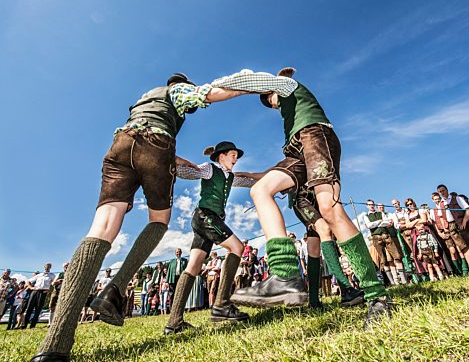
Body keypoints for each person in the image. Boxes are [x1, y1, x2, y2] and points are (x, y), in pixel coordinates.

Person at [30, 71, 257, 362]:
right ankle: (116, 288)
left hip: (121, 144)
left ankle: (53, 347)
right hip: (156, 145)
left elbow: (236, 176)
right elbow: (207, 94)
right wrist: (245, 88)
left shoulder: (144, 98)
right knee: (159, 221)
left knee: (101, 229)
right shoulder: (176, 92)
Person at [215, 67, 389, 326]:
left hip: (315, 135)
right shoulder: (285, 112)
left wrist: (213, 88)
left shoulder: (287, 86)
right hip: (296, 148)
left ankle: (377, 296)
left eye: (269, 99)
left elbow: (256, 80)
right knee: (260, 189)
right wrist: (233, 177)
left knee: (328, 209)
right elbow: (260, 175)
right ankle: (285, 275)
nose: (272, 105)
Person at [163, 141, 254, 335]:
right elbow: (190, 172)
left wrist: (275, 180)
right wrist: (174, 162)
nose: (236, 159)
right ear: (221, 156)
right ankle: (221, 303)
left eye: (236, 156)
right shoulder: (210, 169)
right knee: (237, 248)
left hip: (206, 220)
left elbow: (247, 180)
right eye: (233, 155)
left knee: (194, 266)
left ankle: (174, 323)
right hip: (206, 217)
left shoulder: (230, 176)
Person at [288, 186, 365, 309]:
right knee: (325, 230)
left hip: (317, 198)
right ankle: (346, 290)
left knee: (314, 245)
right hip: (301, 198)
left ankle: (313, 301)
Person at [436, 186, 469, 275]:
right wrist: (445, 227)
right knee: (463, 248)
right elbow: (441, 217)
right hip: (451, 226)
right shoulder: (441, 204)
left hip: (461, 222)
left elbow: (468, 209)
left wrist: (465, 221)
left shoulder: (457, 198)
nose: (442, 192)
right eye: (440, 192)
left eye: (443, 190)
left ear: (447, 190)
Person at [362, 200, 405, 286]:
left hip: (386, 235)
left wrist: (376, 224)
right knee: (383, 260)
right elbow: (369, 225)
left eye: (372, 204)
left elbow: (387, 222)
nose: (371, 206)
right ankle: (392, 282)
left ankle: (404, 281)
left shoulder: (380, 213)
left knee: (397, 256)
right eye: (369, 205)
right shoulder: (366, 216)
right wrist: (379, 222)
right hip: (376, 237)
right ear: (367, 206)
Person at [430, 193, 464, 276]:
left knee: (460, 248)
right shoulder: (433, 210)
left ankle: (465, 269)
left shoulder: (445, 205)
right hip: (444, 231)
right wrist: (439, 232)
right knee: (452, 251)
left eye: (438, 198)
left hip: (451, 227)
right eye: (435, 199)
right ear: (433, 200)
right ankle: (458, 270)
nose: (437, 200)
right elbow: (434, 223)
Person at [24, 263, 56, 329]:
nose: (47, 267)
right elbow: (28, 281)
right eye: (46, 266)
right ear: (44, 267)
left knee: (38, 309)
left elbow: (54, 283)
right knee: (29, 307)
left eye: (49, 266)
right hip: (35, 291)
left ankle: (32, 325)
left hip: (43, 292)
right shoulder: (40, 275)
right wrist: (31, 287)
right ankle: (24, 325)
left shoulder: (52, 275)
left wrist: (49, 290)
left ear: (50, 267)